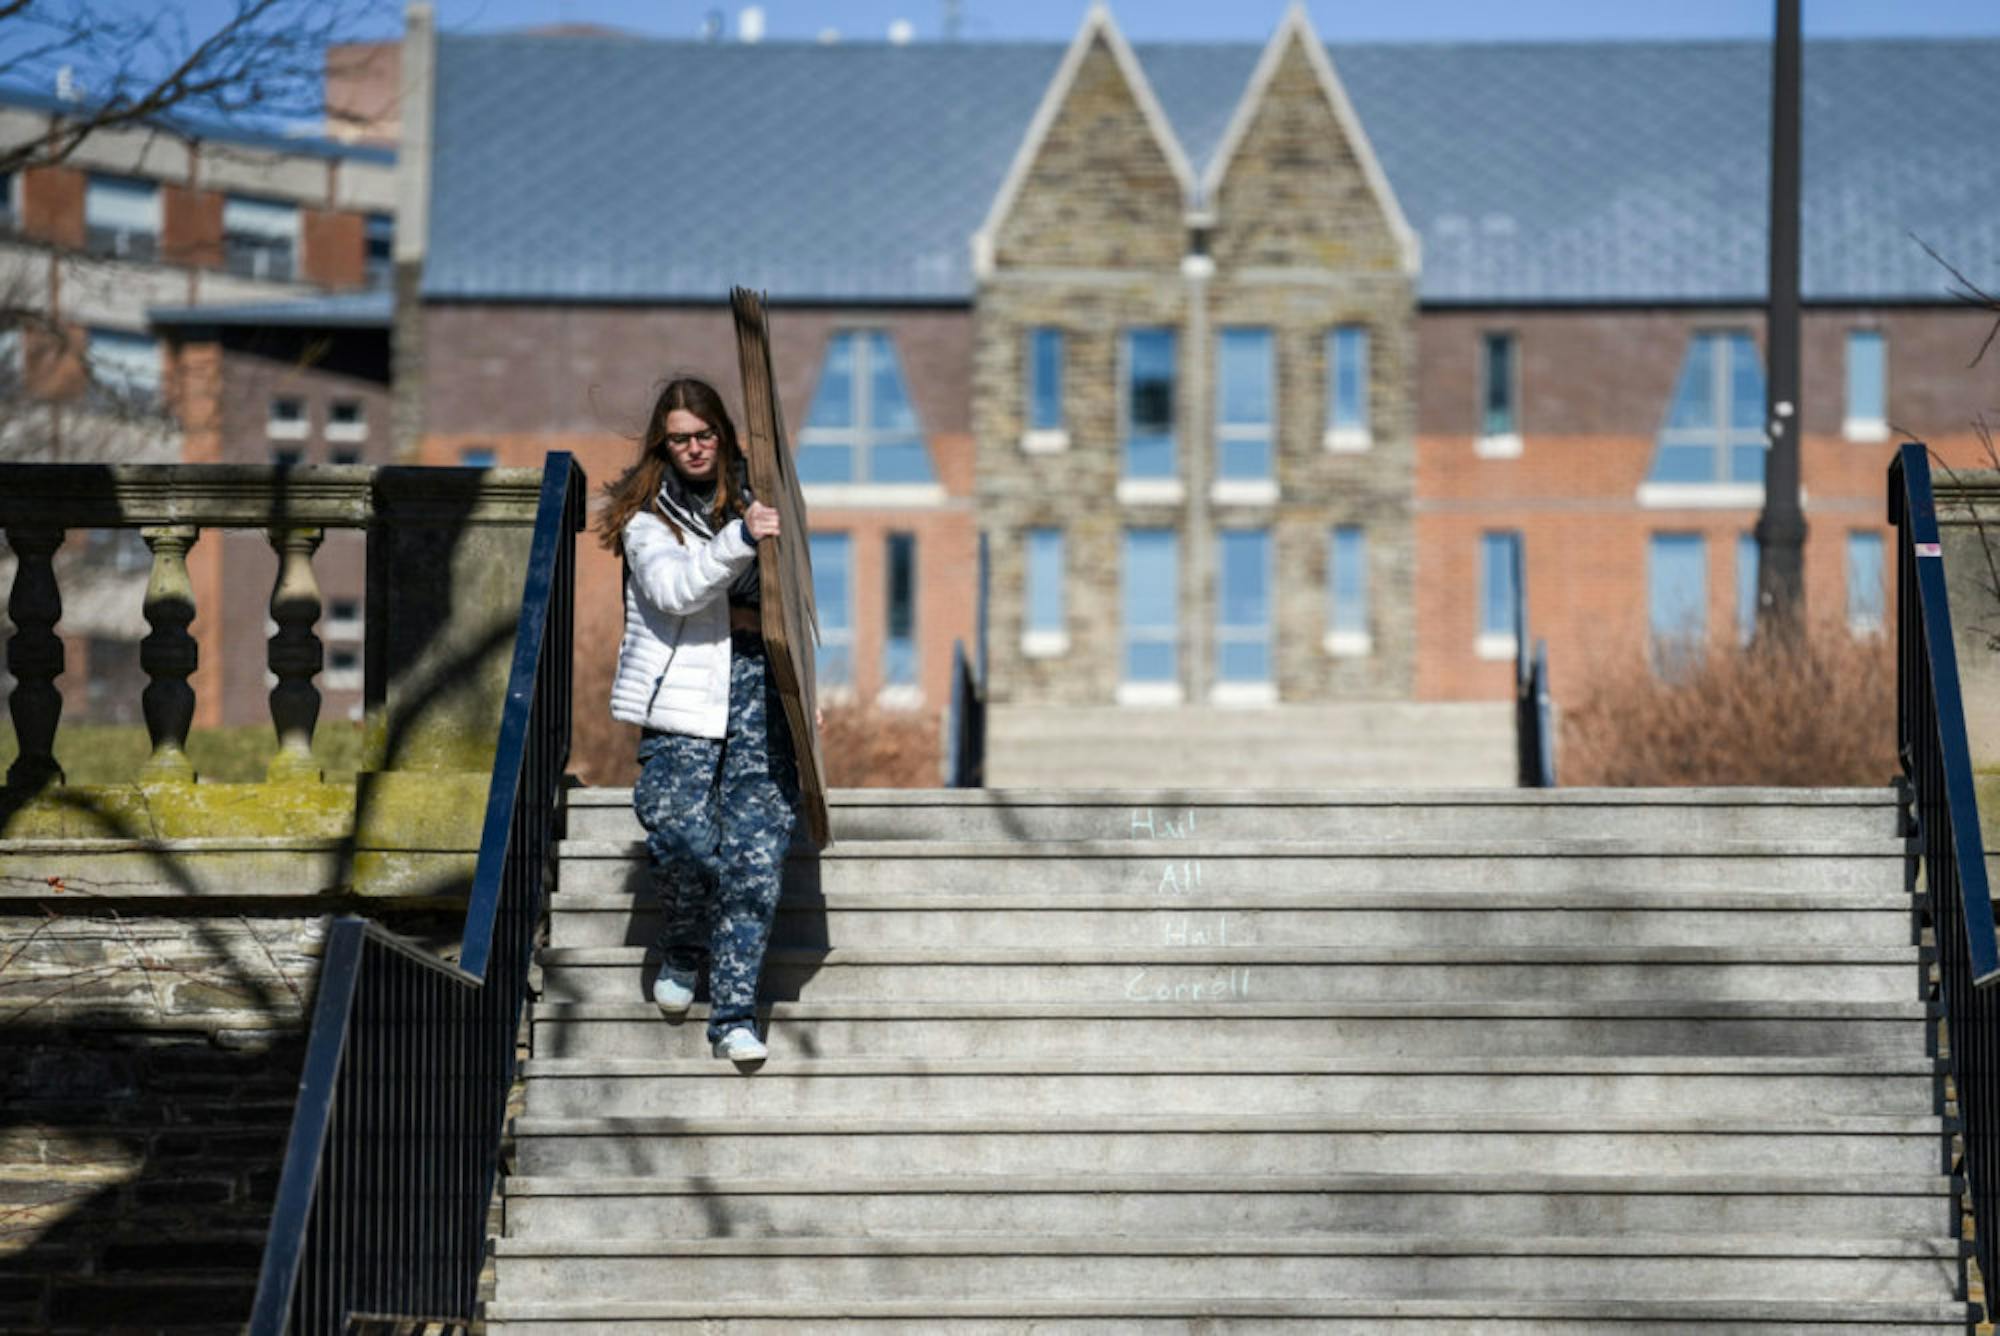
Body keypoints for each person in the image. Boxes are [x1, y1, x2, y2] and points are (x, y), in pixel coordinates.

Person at [599, 375, 799, 1063]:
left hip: (760, 691)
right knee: (682, 836)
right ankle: (684, 942)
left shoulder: (756, 499)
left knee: (755, 858)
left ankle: (735, 1015)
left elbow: (791, 605)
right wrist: (741, 537)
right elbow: (677, 591)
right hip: (682, 701)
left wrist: (807, 695)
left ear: (724, 434)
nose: (693, 448)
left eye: (704, 434)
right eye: (679, 438)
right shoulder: (644, 522)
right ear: (663, 443)